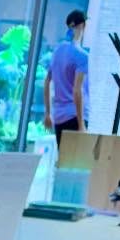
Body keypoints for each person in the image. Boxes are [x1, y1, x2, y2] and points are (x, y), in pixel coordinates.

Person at [44, 8, 88, 146]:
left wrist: (48, 113)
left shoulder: (57, 51)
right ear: (83, 25)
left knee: (63, 156)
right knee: (76, 159)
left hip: (58, 117)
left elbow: (47, 82)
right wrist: (81, 125)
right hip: (75, 116)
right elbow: (77, 90)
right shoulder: (82, 56)